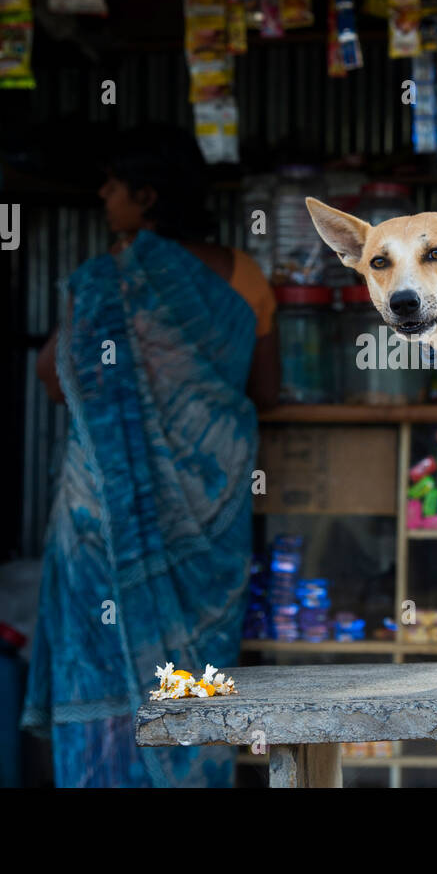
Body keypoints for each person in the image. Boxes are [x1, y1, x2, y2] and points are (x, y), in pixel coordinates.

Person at [21, 124, 278, 787]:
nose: (103, 194)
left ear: (149, 196)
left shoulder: (108, 282)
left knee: (102, 665)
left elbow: (53, 375)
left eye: (113, 183)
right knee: (190, 680)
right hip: (207, 523)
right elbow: (268, 390)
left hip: (100, 518)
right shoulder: (243, 275)